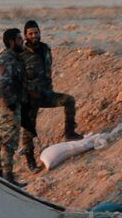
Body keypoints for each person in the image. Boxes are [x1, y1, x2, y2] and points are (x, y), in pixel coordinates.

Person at [19, 20, 83, 172]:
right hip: (30, 98)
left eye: (36, 32)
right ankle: (30, 161)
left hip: (46, 94)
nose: (34, 36)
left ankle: (69, 133)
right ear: (25, 36)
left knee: (68, 100)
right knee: (29, 129)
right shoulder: (21, 54)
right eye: (31, 33)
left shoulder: (46, 49)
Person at [0, 28, 32, 186]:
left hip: (6, 106)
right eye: (20, 39)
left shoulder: (10, 57)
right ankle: (8, 179)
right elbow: (2, 86)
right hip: (8, 107)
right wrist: (12, 103)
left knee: (2, 140)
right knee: (9, 142)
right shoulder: (9, 59)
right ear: (12, 42)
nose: (22, 42)